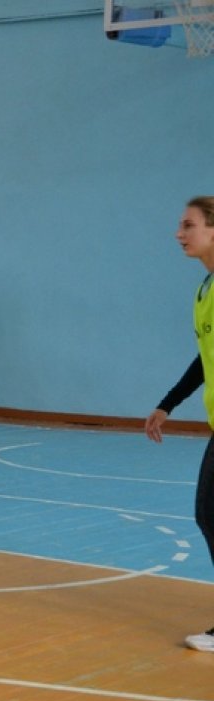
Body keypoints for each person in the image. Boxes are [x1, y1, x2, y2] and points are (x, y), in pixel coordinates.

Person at [145, 195, 214, 653]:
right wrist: (168, 404)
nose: (179, 233)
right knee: (208, 513)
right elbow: (203, 362)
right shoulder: (204, 290)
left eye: (188, 225)